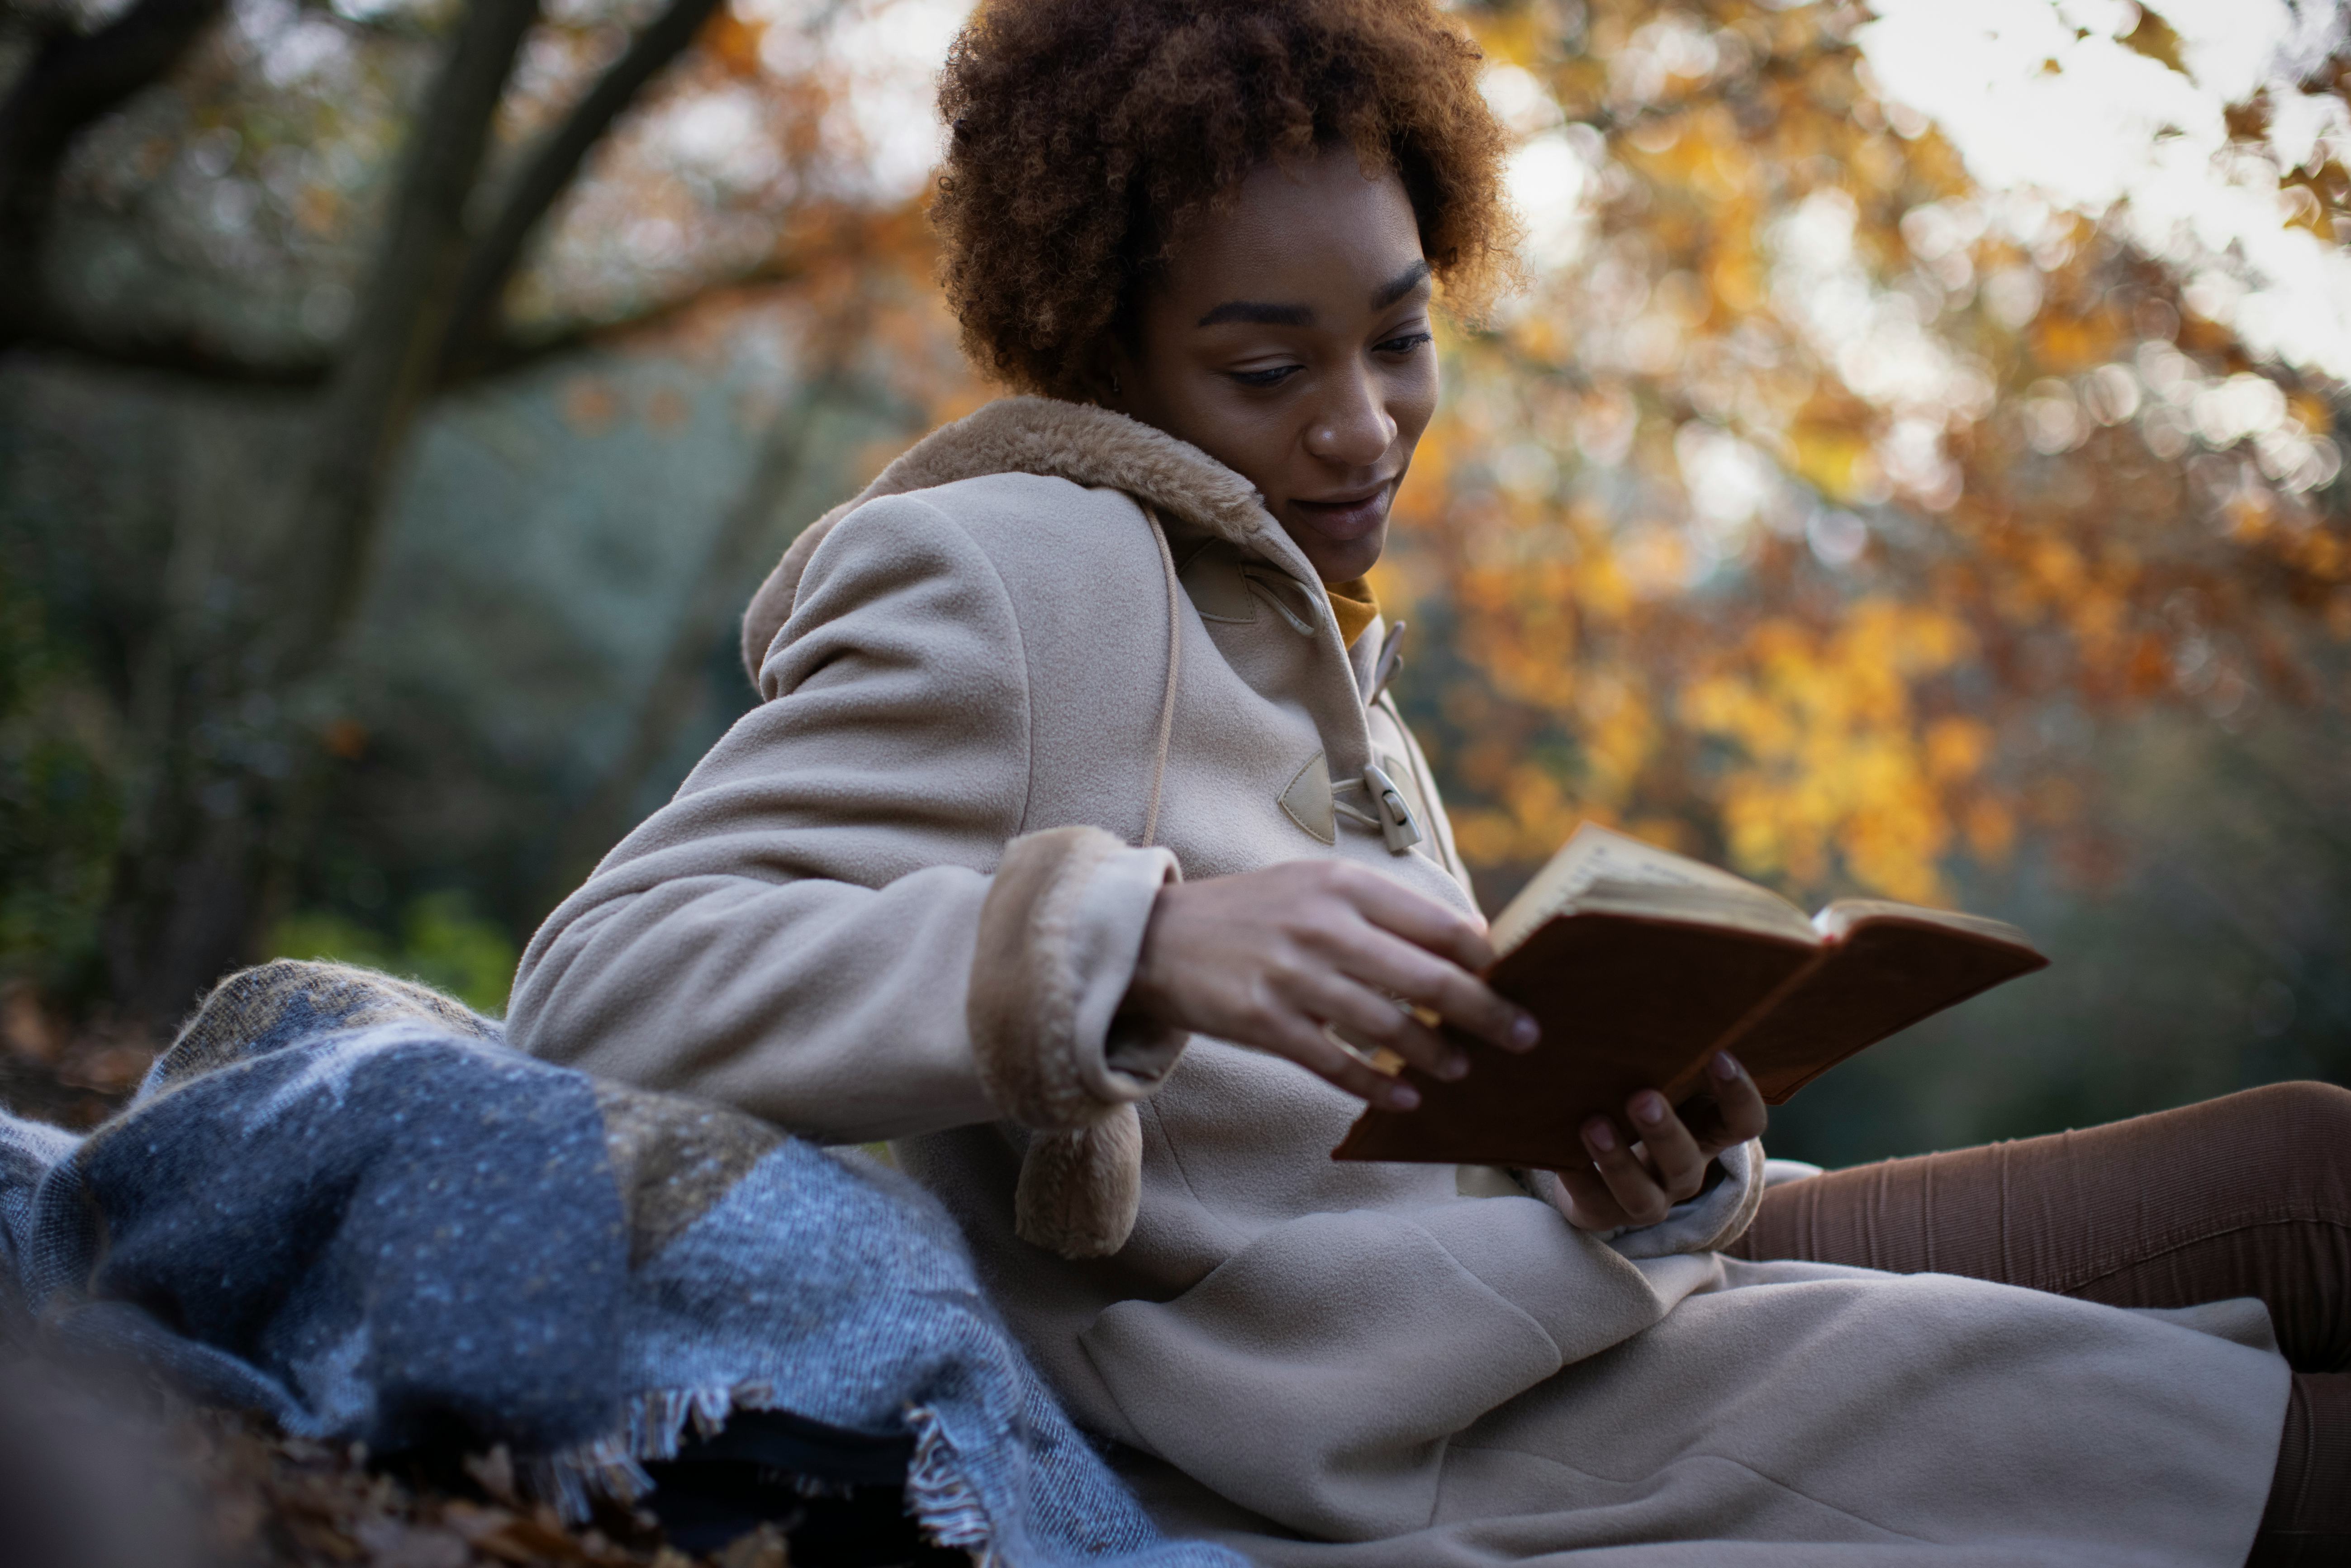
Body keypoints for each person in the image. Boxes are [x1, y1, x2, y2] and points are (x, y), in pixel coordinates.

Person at [508, 1, 2346, 1561]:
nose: (1359, 423)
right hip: (1406, 1433)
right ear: (1107, 351)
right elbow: (595, 991)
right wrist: (1138, 945)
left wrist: (1648, 1151)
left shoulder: (1289, 623)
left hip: (1578, 1296)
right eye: (1262, 364)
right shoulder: (1017, 571)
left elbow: (1372, 1159)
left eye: (1398, 338)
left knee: (2301, 1160)